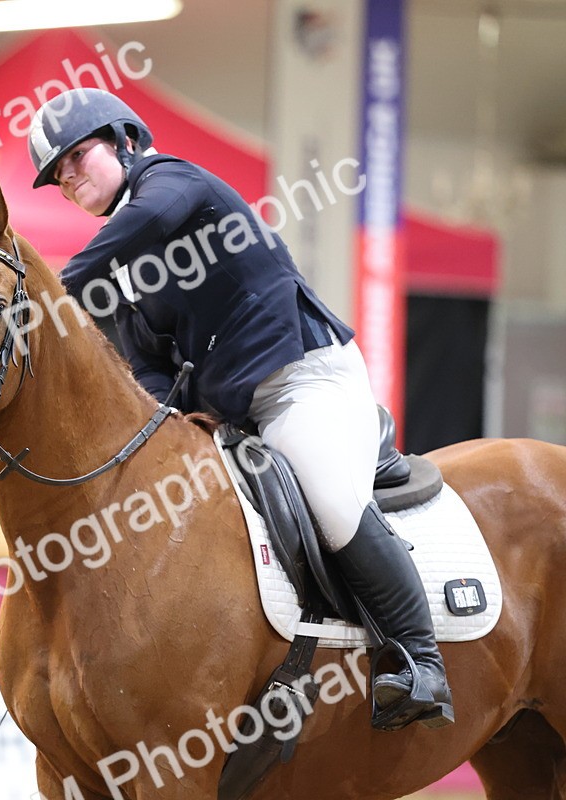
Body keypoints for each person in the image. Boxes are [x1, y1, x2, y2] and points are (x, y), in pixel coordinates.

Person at [27, 87, 452, 731]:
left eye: (78, 156)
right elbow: (147, 370)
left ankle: (421, 662)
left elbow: (139, 229)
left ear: (126, 141)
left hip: (301, 380)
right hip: (232, 413)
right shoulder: (115, 277)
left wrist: (45, 294)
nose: (69, 177)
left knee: (332, 503)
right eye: (58, 176)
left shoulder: (175, 184)